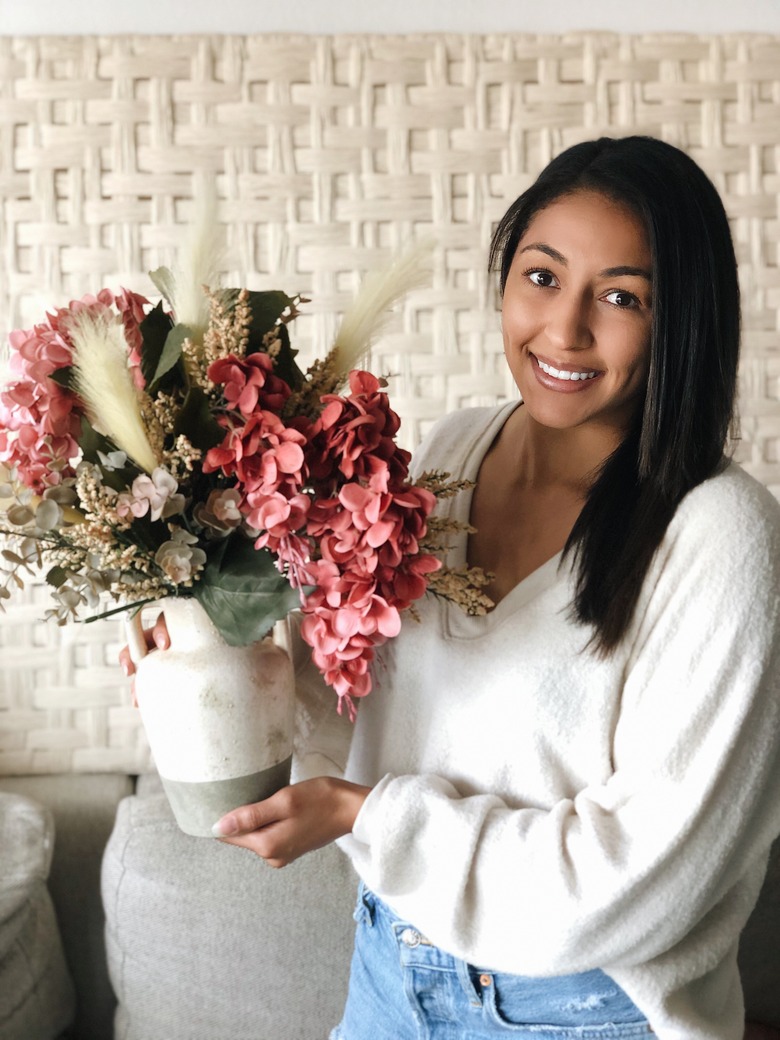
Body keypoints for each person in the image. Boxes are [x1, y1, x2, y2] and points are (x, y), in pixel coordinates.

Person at [121, 136, 780, 1040]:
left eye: (621, 297)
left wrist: (369, 818)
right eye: (542, 277)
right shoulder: (447, 458)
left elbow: (643, 878)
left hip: (584, 1010)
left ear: (682, 323)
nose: (565, 329)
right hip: (392, 970)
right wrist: (223, 663)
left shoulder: (720, 536)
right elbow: (379, 714)